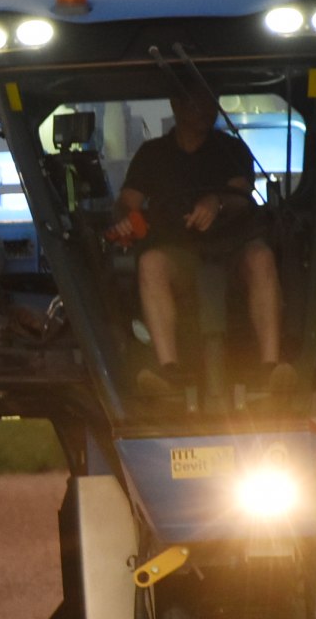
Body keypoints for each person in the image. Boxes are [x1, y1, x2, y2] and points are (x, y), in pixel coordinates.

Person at [105, 91, 292, 397]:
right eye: (194, 101)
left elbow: (240, 194)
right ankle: (168, 372)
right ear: (175, 105)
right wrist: (126, 217)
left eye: (209, 101)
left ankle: (271, 367)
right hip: (179, 255)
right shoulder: (152, 154)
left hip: (234, 251)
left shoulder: (232, 149)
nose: (204, 109)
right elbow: (127, 201)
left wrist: (216, 203)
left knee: (261, 258)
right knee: (151, 262)